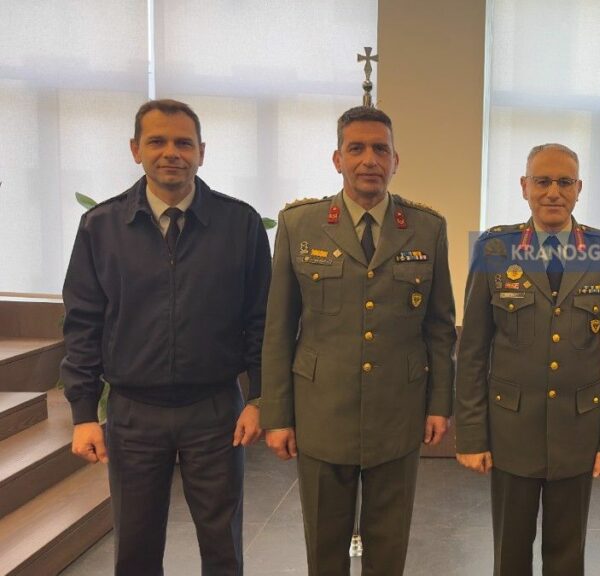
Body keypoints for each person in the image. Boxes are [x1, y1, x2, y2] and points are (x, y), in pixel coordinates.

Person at [61, 99, 271, 575]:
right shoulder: (101, 226)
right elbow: (84, 323)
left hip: (215, 411)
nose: (171, 152)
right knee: (135, 550)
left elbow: (261, 319)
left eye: (183, 143)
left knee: (223, 549)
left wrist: (260, 397)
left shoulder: (239, 225)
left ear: (202, 152)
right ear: (136, 149)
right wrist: (83, 413)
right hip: (134, 414)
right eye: (157, 141)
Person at [260, 105, 457, 575]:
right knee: (324, 547)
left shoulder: (427, 228)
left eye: (380, 150)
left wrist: (439, 404)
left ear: (395, 160)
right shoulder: (299, 225)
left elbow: (439, 326)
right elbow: (279, 328)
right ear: (338, 159)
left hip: (398, 410)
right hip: (321, 411)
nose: (369, 160)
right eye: (357, 149)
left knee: (389, 546)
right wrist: (277, 415)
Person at [455, 143, 600, 575]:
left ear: (579, 189)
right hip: (511, 429)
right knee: (510, 553)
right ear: (524, 186)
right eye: (542, 181)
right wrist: (472, 436)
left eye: (564, 182)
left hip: (578, 430)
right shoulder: (494, 250)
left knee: (567, 555)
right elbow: (473, 351)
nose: (553, 192)